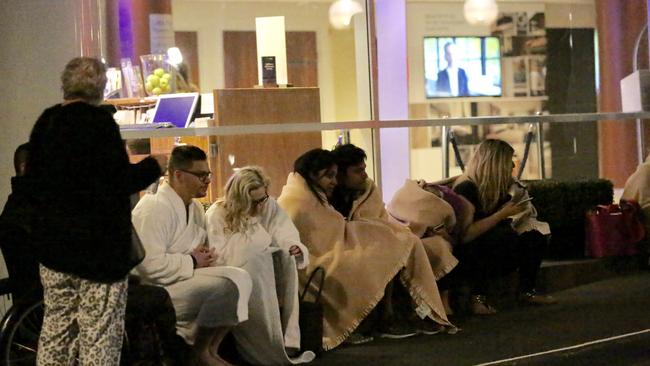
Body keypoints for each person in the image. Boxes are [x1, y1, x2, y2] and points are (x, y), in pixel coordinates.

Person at [25, 57, 166, 365]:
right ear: (101, 88)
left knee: (56, 328)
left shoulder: (47, 121)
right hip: (98, 253)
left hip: (54, 249)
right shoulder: (99, 124)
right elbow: (118, 182)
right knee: (99, 333)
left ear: (65, 84)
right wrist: (154, 166)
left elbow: (31, 180)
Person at [278, 148, 452, 351]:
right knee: (378, 254)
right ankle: (374, 322)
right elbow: (318, 237)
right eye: (330, 176)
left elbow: (373, 222)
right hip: (314, 260)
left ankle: (397, 316)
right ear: (313, 175)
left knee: (394, 246)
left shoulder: (362, 192)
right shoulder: (299, 200)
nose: (365, 176)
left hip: (345, 247)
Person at [132, 145, 252, 366]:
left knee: (242, 277)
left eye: (208, 174)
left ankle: (211, 348)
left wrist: (201, 255)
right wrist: (192, 260)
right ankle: (199, 353)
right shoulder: (154, 207)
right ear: (178, 175)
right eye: (200, 175)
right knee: (226, 286)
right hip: (156, 287)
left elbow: (195, 247)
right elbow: (148, 264)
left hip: (181, 276)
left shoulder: (195, 208)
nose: (207, 180)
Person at [205, 166, 315, 365]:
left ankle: (286, 339)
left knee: (286, 259)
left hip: (266, 265)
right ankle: (262, 339)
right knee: (256, 258)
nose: (259, 208)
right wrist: (252, 239)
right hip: (237, 270)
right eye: (252, 202)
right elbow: (218, 254)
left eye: (262, 199)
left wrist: (293, 247)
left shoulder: (269, 205)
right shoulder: (217, 213)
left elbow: (283, 231)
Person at [451, 139, 555, 315]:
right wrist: (502, 214)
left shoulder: (498, 187)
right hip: (467, 249)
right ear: (496, 163)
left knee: (534, 237)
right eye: (508, 162)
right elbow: (466, 235)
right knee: (497, 239)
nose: (512, 167)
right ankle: (477, 298)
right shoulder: (466, 187)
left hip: (495, 243)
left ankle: (527, 292)